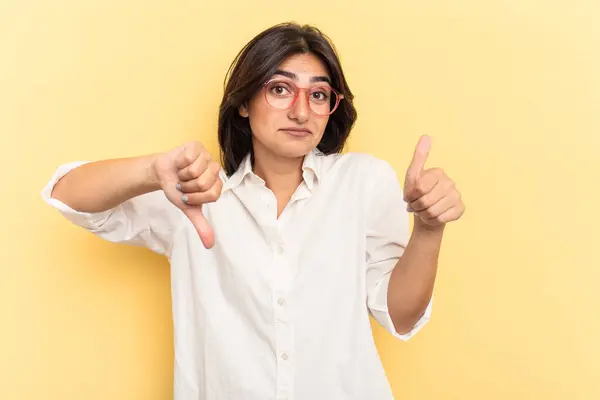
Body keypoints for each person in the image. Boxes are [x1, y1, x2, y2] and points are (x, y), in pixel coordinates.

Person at [41, 22, 464, 400]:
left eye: (318, 94)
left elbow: (401, 315)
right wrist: (152, 170)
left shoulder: (362, 181)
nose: (301, 110)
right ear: (243, 103)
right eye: (280, 89)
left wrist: (428, 230)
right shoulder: (195, 191)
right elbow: (67, 194)